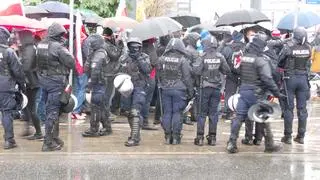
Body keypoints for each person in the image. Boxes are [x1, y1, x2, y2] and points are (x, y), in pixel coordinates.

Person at [226, 34, 284, 153]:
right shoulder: (260, 60)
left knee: (239, 117)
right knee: (263, 118)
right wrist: (277, 93)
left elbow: (237, 71)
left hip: (244, 91)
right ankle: (269, 145)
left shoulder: (244, 58)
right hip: (257, 93)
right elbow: (267, 78)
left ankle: (231, 143)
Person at [36, 23, 75, 151]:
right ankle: (48, 142)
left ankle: (54, 137)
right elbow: (71, 62)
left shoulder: (41, 44)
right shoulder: (58, 47)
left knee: (51, 111)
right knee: (53, 112)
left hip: (44, 80)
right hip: (56, 82)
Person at [192, 36, 230, 146]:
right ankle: (212, 138)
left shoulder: (202, 56)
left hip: (204, 88)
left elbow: (196, 71)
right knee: (213, 114)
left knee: (202, 114)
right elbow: (226, 70)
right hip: (216, 88)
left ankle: (199, 137)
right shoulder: (220, 56)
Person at [278, 27, 311, 144]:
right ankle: (301, 136)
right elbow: (308, 63)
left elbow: (279, 61)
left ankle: (287, 136)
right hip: (303, 79)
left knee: (288, 108)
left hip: (290, 79)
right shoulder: (308, 47)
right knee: (302, 109)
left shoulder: (288, 47)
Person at [157, 38, 193, 145]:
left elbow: (158, 74)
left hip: (165, 89)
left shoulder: (162, 59)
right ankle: (176, 137)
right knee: (177, 113)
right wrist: (190, 91)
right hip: (179, 90)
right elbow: (187, 78)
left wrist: (162, 84)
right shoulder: (183, 60)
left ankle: (168, 136)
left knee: (167, 112)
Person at [119, 37, 151, 147]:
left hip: (140, 86)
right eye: (133, 46)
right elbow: (119, 70)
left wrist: (138, 58)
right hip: (127, 87)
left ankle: (134, 137)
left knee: (135, 111)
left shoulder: (144, 57)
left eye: (137, 47)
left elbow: (147, 70)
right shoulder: (124, 57)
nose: (135, 49)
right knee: (128, 112)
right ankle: (135, 134)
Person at [82, 34, 113, 137]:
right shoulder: (97, 53)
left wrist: (89, 85)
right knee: (102, 106)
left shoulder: (99, 54)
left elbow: (95, 71)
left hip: (99, 83)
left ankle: (94, 129)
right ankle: (107, 128)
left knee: (96, 106)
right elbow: (87, 68)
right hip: (101, 83)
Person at [0, 26, 25, 149]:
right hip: (5, 87)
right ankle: (9, 140)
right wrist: (22, 84)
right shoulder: (9, 52)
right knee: (6, 112)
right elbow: (18, 71)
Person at [16, 29, 43, 140]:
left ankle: (38, 132)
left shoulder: (29, 49)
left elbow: (26, 66)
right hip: (30, 81)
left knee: (31, 108)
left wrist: (18, 62)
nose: (17, 39)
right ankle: (29, 129)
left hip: (31, 82)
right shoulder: (27, 48)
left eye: (19, 37)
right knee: (27, 107)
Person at [220, 31, 245, 120]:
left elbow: (221, 59)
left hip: (231, 74)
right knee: (242, 93)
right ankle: (240, 112)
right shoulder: (245, 47)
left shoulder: (228, 48)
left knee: (229, 94)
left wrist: (226, 72)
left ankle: (227, 112)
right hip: (243, 74)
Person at [141, 38, 158, 130]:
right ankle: (145, 121)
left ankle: (138, 120)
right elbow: (155, 62)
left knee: (140, 99)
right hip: (150, 76)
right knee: (147, 100)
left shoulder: (138, 47)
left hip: (139, 78)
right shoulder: (150, 48)